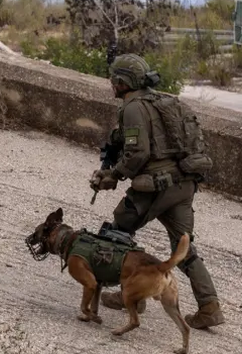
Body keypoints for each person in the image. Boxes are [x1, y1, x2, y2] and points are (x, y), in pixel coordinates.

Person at [89, 54, 225, 329]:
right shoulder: (162, 101)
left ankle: (134, 298)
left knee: (117, 233)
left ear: (122, 82)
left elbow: (139, 153)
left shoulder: (133, 108)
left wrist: (113, 175)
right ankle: (209, 306)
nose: (112, 83)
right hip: (183, 184)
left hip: (154, 188)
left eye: (114, 79)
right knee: (183, 246)